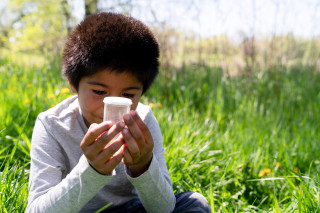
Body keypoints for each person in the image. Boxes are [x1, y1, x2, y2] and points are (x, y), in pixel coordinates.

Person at [27, 12, 211, 213]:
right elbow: (37, 210)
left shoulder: (143, 121)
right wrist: (91, 170)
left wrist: (143, 165)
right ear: (73, 83)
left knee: (195, 203)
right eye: (99, 92)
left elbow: (164, 209)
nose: (112, 107)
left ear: (142, 91)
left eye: (128, 95)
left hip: (130, 209)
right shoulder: (52, 125)